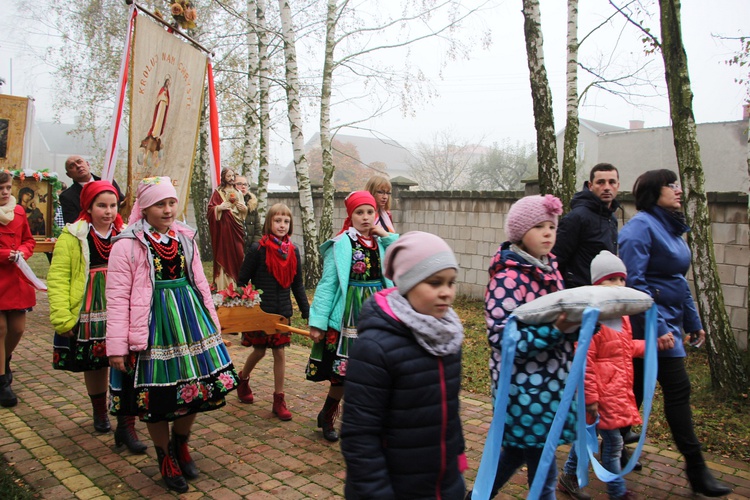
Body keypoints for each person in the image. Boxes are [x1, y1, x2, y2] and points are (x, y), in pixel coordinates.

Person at [106, 176, 238, 493]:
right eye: (159, 204)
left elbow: (200, 283)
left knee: (196, 390)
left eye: (171, 203)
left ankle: (181, 444)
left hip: (190, 324)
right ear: (145, 207)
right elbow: (117, 298)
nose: (167, 210)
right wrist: (116, 347)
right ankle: (164, 456)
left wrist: (212, 321)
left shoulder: (185, 238)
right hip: (152, 327)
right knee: (157, 397)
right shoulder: (127, 244)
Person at [619, 169, 732, 497]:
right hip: (647, 328)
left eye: (676, 184)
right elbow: (633, 284)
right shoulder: (640, 227)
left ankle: (613, 447)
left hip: (667, 323)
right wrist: (661, 329)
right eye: (670, 185)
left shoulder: (670, 228)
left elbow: (678, 281)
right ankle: (696, 470)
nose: (677, 190)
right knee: (676, 390)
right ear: (654, 192)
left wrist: (693, 321)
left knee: (634, 392)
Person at [340, 231, 466, 498]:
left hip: (443, 484)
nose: (446, 292)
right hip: (395, 488)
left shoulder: (449, 338)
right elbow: (360, 436)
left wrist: (457, 462)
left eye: (451, 282)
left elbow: (449, 414)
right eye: (434, 282)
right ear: (408, 284)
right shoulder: (376, 348)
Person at [557, 251, 675, 500]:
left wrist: (652, 344)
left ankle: (568, 477)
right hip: (598, 395)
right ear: (597, 285)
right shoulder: (592, 318)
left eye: (622, 279)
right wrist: (590, 398)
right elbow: (584, 361)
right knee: (612, 444)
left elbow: (626, 348)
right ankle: (617, 491)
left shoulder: (622, 318)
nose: (619, 285)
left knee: (586, 439)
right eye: (611, 280)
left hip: (616, 393)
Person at [481, 194, 576, 499]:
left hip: (551, 386)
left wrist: (579, 325)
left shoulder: (551, 269)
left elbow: (560, 323)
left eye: (552, 226)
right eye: (539, 226)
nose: (548, 232)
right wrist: (555, 330)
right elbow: (501, 338)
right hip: (524, 390)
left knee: (517, 452)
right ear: (521, 234)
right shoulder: (509, 277)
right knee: (542, 469)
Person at [47, 181, 147, 453]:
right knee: (95, 362)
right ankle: (99, 410)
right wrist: (62, 317)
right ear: (88, 207)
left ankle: (125, 421)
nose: (108, 211)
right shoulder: (74, 235)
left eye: (112, 205)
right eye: (101, 205)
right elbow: (58, 278)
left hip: (119, 303)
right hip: (89, 306)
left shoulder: (127, 234)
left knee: (125, 359)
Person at [305, 191, 398, 442]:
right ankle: (327, 414)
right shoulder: (342, 244)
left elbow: (402, 261)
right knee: (344, 375)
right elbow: (327, 285)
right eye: (360, 212)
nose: (366, 217)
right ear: (351, 215)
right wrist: (318, 322)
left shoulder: (381, 241)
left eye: (370, 212)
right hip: (349, 317)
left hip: (378, 314)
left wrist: (387, 237)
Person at [236, 203, 310, 420]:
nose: (282, 225)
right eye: (278, 221)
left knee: (279, 353)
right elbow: (242, 280)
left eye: (286, 221)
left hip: (281, 313)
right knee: (259, 352)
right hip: (260, 312)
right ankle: (243, 379)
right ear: (269, 223)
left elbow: (297, 285)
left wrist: (306, 312)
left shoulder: (294, 251)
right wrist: (246, 304)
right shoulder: (257, 249)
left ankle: (279, 399)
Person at [553, 163, 621, 289]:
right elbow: (557, 259)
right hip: (578, 294)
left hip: (604, 293)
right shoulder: (577, 218)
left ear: (618, 185)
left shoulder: (611, 218)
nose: (606, 187)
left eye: (612, 182)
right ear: (590, 186)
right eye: (600, 182)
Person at [0, 171, 36, 407]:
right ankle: (2, 382)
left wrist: (22, 252)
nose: (5, 192)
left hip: (17, 278)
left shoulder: (20, 212)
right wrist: (5, 254)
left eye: (7, 187)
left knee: (17, 328)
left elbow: (29, 240)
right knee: (0, 328)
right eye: (0, 189)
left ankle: (4, 359)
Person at [207, 167, 247, 290]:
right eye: (228, 176)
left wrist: (243, 210)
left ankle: (237, 286)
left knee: (238, 254)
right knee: (224, 254)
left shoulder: (238, 193)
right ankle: (224, 286)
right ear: (224, 177)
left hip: (236, 228)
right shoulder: (218, 192)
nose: (231, 178)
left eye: (232, 176)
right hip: (223, 230)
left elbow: (243, 212)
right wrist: (219, 208)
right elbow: (210, 210)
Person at [59, 155, 125, 224]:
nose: (78, 166)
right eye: (72, 166)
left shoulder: (108, 182)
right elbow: (72, 223)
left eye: (79, 162)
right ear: (68, 175)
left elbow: (122, 204)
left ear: (87, 164)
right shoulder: (67, 197)